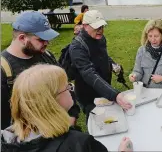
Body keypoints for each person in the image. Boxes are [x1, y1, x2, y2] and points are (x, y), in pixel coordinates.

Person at [1, 64, 133, 152]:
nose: (71, 89)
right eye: (67, 87)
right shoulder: (80, 144)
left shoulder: (6, 140)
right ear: (52, 100)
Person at [1, 11, 80, 130]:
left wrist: (72, 117)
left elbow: (65, 87)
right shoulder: (4, 70)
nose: (47, 43)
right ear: (22, 38)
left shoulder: (46, 55)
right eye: (41, 39)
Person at [69, 10, 131, 122]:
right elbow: (89, 73)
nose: (100, 30)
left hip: (104, 86)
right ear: (85, 26)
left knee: (108, 118)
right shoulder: (77, 47)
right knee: (95, 121)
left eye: (102, 26)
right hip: (88, 94)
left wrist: (112, 64)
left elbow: (104, 56)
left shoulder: (101, 38)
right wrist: (114, 94)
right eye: (97, 27)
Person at [129, 19, 162, 89]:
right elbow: (138, 72)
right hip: (146, 92)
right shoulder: (141, 51)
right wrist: (134, 76)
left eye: (156, 36)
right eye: (150, 36)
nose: (153, 39)